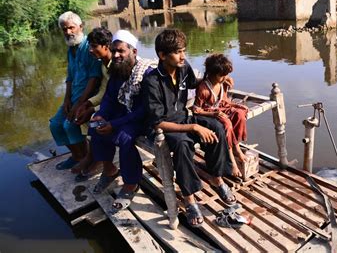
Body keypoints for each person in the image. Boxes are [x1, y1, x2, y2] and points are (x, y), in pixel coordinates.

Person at [142, 29, 236, 228]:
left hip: (186, 117)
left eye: (184, 50)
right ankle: (189, 198)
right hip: (168, 127)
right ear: (162, 55)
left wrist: (218, 78)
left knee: (217, 127)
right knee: (184, 144)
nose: (183, 56)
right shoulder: (151, 82)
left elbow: (196, 83)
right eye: (178, 52)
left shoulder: (184, 68)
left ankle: (216, 179)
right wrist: (193, 127)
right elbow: (157, 122)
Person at [89, 30, 156, 211]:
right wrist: (102, 114)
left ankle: (130, 184)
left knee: (124, 138)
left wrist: (114, 124)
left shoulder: (147, 74)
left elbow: (144, 109)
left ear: (133, 51)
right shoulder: (117, 70)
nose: (116, 55)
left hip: (141, 119)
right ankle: (110, 169)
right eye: (114, 51)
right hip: (123, 113)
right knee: (95, 127)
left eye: (121, 51)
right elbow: (110, 98)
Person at [49, 11, 102, 170]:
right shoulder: (70, 50)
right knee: (55, 125)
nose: (68, 32)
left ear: (81, 26)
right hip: (72, 97)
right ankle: (77, 156)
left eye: (71, 28)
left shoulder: (89, 48)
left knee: (70, 125)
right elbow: (70, 77)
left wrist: (80, 104)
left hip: (86, 98)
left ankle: (87, 158)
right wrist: (66, 100)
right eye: (64, 29)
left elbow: (94, 78)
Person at [192, 54, 248, 177]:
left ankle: (236, 147)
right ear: (212, 73)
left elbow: (224, 100)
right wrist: (213, 113)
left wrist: (226, 81)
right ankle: (231, 158)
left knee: (240, 113)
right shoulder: (203, 88)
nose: (225, 78)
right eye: (222, 75)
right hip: (208, 113)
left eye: (226, 75)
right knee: (226, 123)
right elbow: (196, 110)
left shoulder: (222, 82)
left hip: (221, 108)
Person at [72, 27, 113, 181]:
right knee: (82, 115)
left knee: (95, 120)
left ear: (106, 46)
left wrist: (93, 110)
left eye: (94, 46)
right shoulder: (103, 65)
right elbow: (104, 91)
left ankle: (95, 159)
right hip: (109, 104)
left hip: (122, 108)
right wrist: (87, 104)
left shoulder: (117, 65)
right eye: (89, 45)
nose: (90, 50)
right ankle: (92, 156)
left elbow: (117, 98)